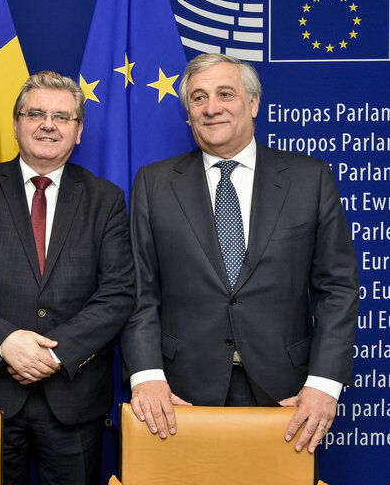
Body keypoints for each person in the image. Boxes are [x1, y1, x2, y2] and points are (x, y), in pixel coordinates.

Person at [121, 53, 359, 455]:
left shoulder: (309, 178)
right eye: (198, 98)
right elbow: (139, 293)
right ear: (189, 113)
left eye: (225, 94)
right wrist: (146, 375)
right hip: (179, 395)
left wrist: (323, 384)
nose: (211, 108)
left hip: (288, 394)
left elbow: (337, 288)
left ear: (253, 103)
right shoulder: (153, 183)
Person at [0, 71, 134, 485]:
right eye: (36, 113)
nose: (48, 124)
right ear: (16, 123)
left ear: (78, 132)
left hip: (74, 397)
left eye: (62, 117)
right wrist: (6, 342)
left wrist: (53, 356)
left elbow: (117, 293)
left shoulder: (106, 199)